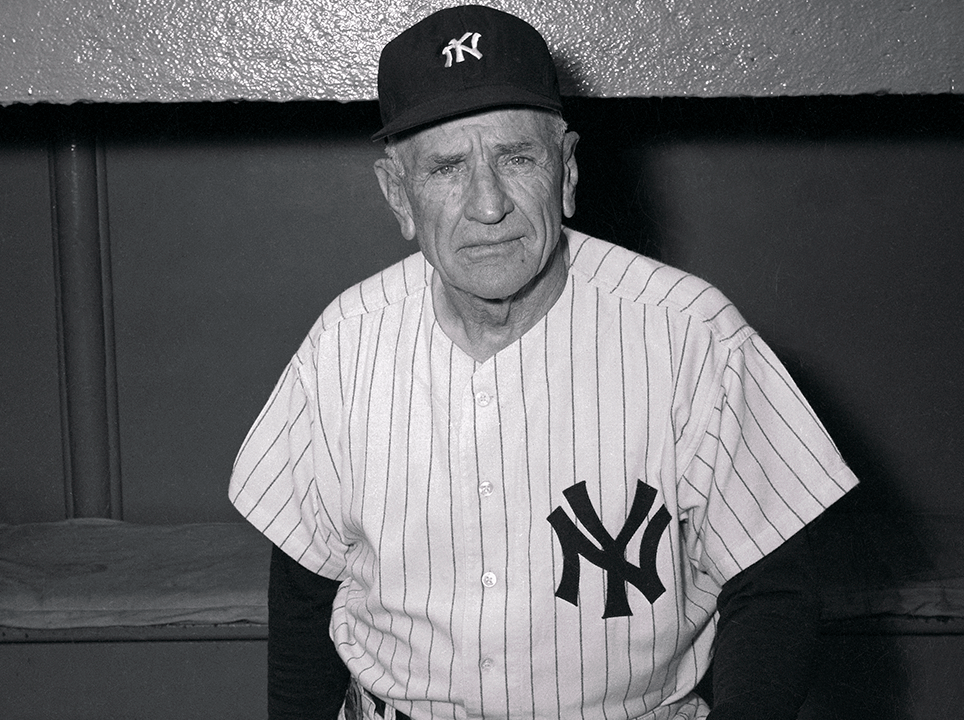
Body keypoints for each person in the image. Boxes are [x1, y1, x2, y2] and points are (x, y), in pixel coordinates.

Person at [229, 5, 858, 719]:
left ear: (566, 171)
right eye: (446, 168)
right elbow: (306, 586)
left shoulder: (693, 335)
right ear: (398, 196)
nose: (488, 204)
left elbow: (772, 588)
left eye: (516, 158)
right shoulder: (343, 346)